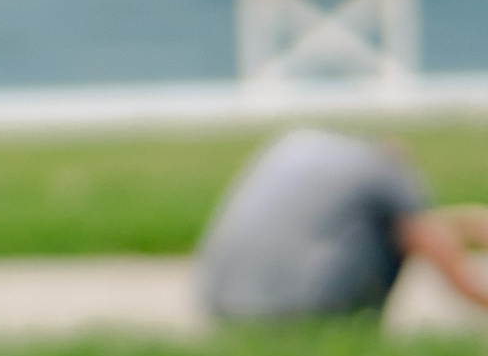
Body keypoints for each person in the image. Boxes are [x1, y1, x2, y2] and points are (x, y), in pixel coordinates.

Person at [197, 127, 488, 322]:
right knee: (391, 234)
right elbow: (427, 238)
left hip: (220, 302)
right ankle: (354, 326)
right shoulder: (388, 169)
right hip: (297, 311)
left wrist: (461, 223)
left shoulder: (302, 147)